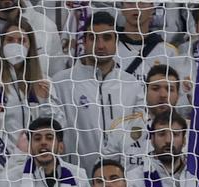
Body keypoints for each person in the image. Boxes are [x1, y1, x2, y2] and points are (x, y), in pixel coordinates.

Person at [51, 11, 146, 173]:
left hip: (119, 183)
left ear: (117, 41)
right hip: (75, 182)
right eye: (93, 38)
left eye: (107, 38)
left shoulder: (132, 85)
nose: (100, 45)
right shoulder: (62, 82)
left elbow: (137, 136)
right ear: (84, 41)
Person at [0, 19, 62, 158]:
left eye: (22, 41)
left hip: (37, 159)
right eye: (10, 40)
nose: (15, 45)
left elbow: (59, 124)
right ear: (1, 44)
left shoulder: (44, 81)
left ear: (30, 47)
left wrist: (46, 101)